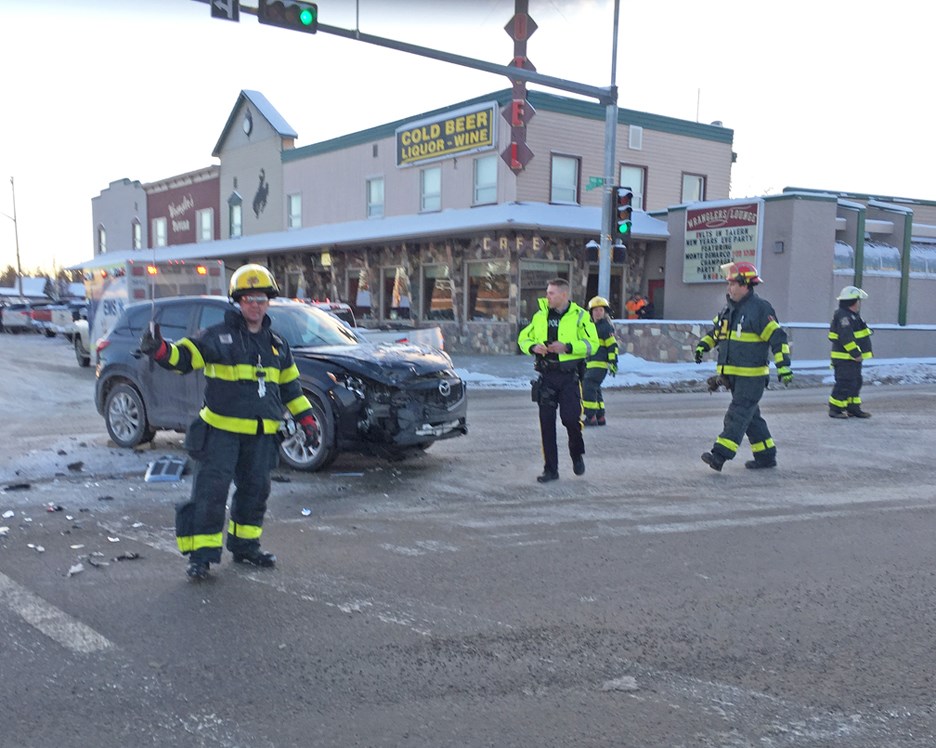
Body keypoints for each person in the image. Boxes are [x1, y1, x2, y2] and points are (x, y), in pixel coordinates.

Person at [140, 264, 320, 580]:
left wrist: (307, 420)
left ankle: (246, 547)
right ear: (237, 301)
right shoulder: (217, 337)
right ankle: (201, 557)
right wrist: (160, 350)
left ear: (268, 302)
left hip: (261, 437)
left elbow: (291, 387)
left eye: (261, 298)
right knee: (210, 495)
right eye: (248, 298)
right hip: (220, 434)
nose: (255, 304)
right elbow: (184, 358)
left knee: (255, 494)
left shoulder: (278, 344)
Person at [694, 261, 792, 471]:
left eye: (733, 284)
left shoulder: (760, 309)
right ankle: (766, 455)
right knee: (751, 417)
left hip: (752, 377)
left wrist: (784, 366)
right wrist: (703, 345)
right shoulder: (728, 310)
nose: (729, 288)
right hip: (735, 376)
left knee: (737, 414)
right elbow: (717, 334)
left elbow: (778, 338)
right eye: (728, 284)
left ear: (746, 285)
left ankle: (719, 456)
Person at [518, 278, 599, 483]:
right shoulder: (540, 316)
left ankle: (576, 453)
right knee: (546, 425)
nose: (547, 296)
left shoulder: (580, 316)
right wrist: (533, 347)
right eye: (548, 292)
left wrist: (568, 347)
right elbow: (523, 337)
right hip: (546, 376)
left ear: (564, 295)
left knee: (570, 420)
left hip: (569, 377)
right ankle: (550, 470)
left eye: (551, 293)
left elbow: (592, 344)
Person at [828, 285, 872, 418]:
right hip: (845, 358)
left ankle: (853, 407)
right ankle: (835, 409)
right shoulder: (843, 316)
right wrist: (856, 353)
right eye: (858, 300)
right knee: (844, 383)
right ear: (852, 301)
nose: (859, 303)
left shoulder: (853, 316)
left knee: (855, 382)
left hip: (851, 359)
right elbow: (846, 337)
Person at [582, 296, 619, 426]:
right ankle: (600, 417)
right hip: (591, 364)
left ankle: (590, 417)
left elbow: (612, 346)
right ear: (591, 312)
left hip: (599, 364)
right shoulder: (591, 327)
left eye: (601, 310)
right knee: (595, 389)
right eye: (596, 310)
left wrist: (613, 362)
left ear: (605, 312)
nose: (598, 313)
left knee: (588, 386)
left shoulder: (605, 327)